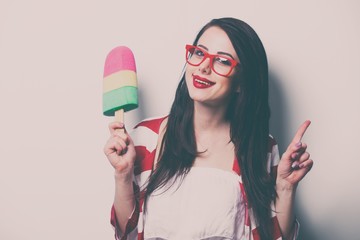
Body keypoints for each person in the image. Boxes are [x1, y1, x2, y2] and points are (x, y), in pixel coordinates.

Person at [104, 17, 313, 240]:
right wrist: (123, 175)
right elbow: (127, 233)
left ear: (242, 82)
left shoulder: (260, 148)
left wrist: (286, 188)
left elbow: (273, 237)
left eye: (222, 61)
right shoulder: (146, 137)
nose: (204, 66)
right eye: (199, 53)